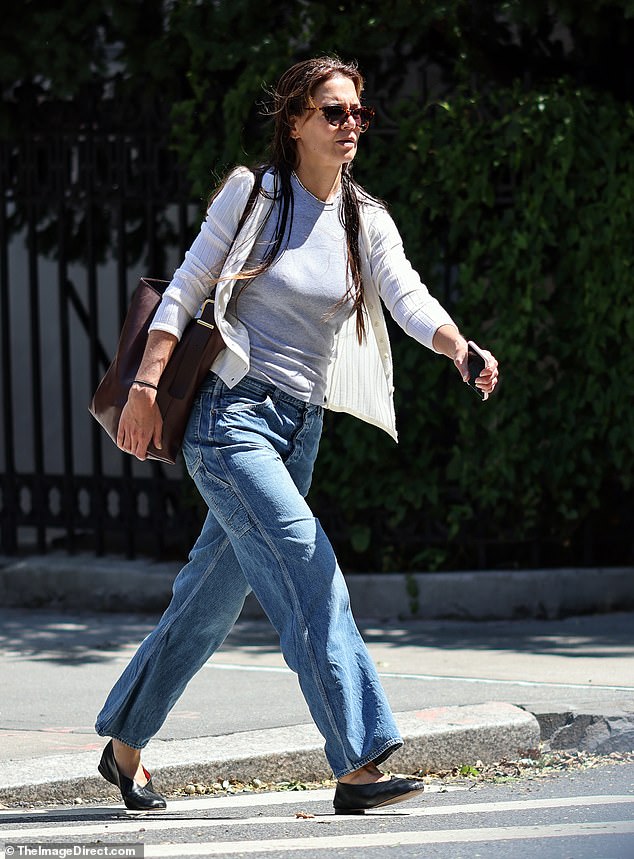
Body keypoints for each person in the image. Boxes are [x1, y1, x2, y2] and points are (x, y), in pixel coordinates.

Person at [94, 55, 499, 814]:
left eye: (359, 113)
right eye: (334, 113)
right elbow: (184, 288)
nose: (352, 126)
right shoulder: (257, 194)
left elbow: (405, 294)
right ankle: (358, 762)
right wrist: (146, 386)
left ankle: (123, 745)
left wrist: (457, 344)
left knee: (206, 603)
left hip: (297, 433)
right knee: (309, 571)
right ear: (296, 122)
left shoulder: (363, 217)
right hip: (230, 422)